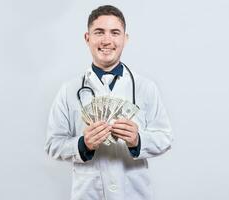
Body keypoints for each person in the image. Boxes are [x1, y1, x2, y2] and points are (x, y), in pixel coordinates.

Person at [45, 5, 173, 200]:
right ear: (87, 38)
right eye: (99, 32)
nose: (107, 40)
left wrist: (138, 140)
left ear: (125, 39)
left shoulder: (146, 87)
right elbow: (53, 144)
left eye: (115, 33)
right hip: (89, 194)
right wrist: (82, 144)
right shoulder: (68, 90)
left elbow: (165, 138)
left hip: (135, 194)